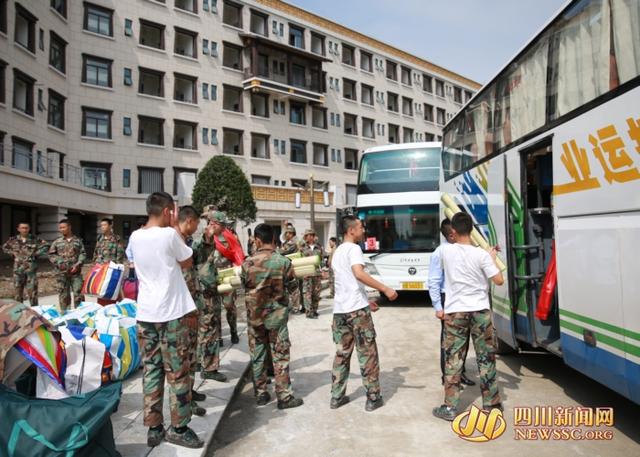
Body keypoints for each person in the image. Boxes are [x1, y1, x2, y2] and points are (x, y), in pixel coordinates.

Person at [127, 192, 203, 448]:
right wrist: (171, 227)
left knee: (152, 370)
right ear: (170, 211)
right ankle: (179, 428)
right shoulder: (170, 235)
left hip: (145, 314)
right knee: (178, 372)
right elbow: (187, 260)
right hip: (170, 314)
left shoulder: (135, 236)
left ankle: (154, 427)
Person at [432, 212, 504, 421]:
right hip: (480, 311)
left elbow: (435, 275)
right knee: (486, 358)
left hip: (456, 312)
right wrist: (490, 258)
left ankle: (451, 407)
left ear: (452, 231)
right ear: (472, 230)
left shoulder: (444, 252)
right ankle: (492, 406)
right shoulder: (481, 255)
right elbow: (498, 280)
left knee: (453, 359)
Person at [330, 215, 398, 412]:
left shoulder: (337, 251)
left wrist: (365, 300)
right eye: (360, 227)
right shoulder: (354, 249)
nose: (363, 230)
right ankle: (373, 397)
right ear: (351, 230)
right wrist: (385, 289)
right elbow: (358, 274)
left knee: (342, 354)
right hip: (356, 312)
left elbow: (344, 282)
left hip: (340, 311)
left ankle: (336, 397)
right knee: (367, 353)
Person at [240, 223, 304, 410]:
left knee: (258, 355)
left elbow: (245, 285)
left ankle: (261, 394)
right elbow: (293, 287)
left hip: (255, 318)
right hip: (276, 318)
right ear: (275, 240)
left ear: (257, 240)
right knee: (280, 356)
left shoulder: (247, 263)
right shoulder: (283, 262)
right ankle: (284, 396)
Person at [428, 219, 475, 387]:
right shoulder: (440, 253)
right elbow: (433, 281)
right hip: (446, 298)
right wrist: (438, 307)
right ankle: (447, 377)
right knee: (448, 341)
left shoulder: (462, 250)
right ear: (451, 234)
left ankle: (460, 374)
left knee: (464, 337)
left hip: (462, 298)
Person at [177, 206, 209, 418]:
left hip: (190, 306)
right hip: (181, 310)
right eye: (197, 223)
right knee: (185, 357)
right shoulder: (174, 241)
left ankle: (189, 390)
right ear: (189, 220)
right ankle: (185, 401)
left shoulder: (184, 242)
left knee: (191, 356)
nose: (197, 227)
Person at [193, 209, 228, 382]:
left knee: (205, 329)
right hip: (205, 292)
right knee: (209, 330)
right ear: (214, 224)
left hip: (209, 290)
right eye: (222, 226)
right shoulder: (201, 241)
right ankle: (209, 367)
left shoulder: (210, 241)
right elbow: (199, 265)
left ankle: (201, 361)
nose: (224, 230)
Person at [208, 211, 240, 345]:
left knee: (229, 306)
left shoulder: (230, 238)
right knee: (215, 309)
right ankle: (219, 336)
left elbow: (237, 254)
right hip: (212, 277)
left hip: (227, 276)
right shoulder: (206, 238)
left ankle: (233, 331)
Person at [2, 222, 49, 305]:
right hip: (18, 270)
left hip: (31, 270)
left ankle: (35, 311)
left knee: (33, 293)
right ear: (18, 229)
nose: (24, 230)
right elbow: (4, 247)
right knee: (18, 293)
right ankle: (19, 312)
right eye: (22, 228)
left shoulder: (34, 239)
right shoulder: (13, 239)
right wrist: (12, 253)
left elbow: (46, 245)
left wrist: (37, 253)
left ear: (29, 229)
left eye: (26, 228)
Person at [48, 219, 86, 311]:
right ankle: (66, 315)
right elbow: (51, 254)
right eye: (60, 228)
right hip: (61, 274)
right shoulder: (57, 242)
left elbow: (83, 254)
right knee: (64, 295)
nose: (62, 229)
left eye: (63, 227)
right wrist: (59, 262)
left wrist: (78, 264)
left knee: (79, 294)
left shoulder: (78, 241)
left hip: (76, 273)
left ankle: (80, 314)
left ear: (69, 227)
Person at [93, 218, 126, 305]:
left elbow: (120, 254)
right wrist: (95, 266)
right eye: (101, 225)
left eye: (104, 225)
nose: (102, 227)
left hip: (112, 270)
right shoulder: (99, 238)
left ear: (110, 225)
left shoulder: (116, 238)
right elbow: (96, 253)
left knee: (112, 291)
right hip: (101, 270)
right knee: (101, 292)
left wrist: (117, 269)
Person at [300, 228, 324, 319]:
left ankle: (314, 310)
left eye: (310, 235)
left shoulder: (319, 247)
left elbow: (321, 260)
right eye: (307, 236)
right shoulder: (302, 248)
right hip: (307, 273)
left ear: (314, 236)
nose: (309, 237)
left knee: (316, 293)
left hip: (317, 273)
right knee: (307, 293)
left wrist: (323, 271)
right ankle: (309, 312)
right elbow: (300, 260)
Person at [278, 226, 302, 313]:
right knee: (289, 288)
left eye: (288, 233)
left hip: (291, 267)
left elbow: (283, 252)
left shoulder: (293, 242)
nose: (286, 234)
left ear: (292, 234)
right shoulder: (288, 242)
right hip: (287, 267)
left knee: (293, 288)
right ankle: (292, 306)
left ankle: (296, 308)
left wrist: (277, 250)